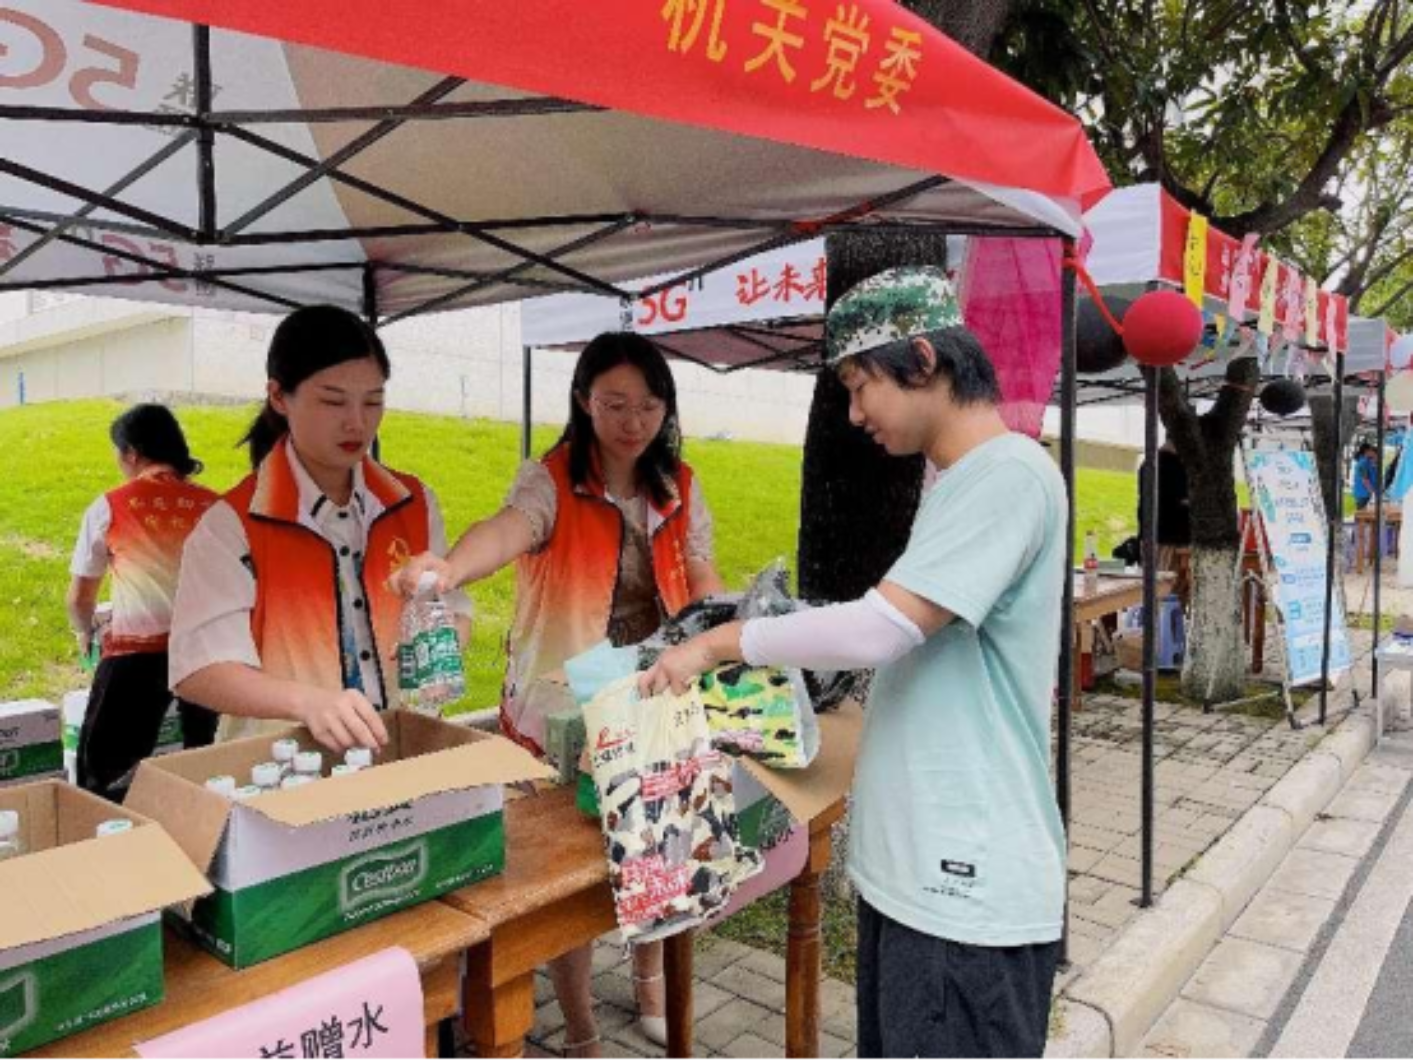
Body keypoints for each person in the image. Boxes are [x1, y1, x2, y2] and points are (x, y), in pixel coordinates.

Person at [641, 267, 1068, 1060]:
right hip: (921, 884)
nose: (853, 413)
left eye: (858, 384)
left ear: (922, 359)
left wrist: (719, 642)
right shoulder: (960, 482)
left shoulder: (1007, 473)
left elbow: (880, 628)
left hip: (961, 892)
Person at [396, 331, 725, 1060]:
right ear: (583, 401)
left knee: (658, 843)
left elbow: (700, 566)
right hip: (561, 706)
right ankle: (578, 1028)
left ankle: (649, 983)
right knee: (564, 880)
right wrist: (450, 569)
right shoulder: (550, 480)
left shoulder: (679, 483)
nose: (633, 421)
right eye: (614, 404)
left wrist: (719, 625)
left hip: (654, 694)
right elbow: (506, 531)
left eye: (648, 405)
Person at [168, 305, 470, 752]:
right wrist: (307, 702)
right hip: (288, 765)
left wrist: (441, 650)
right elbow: (199, 668)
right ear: (278, 396)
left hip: (401, 750)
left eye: (373, 401)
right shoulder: (232, 526)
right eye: (333, 401)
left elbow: (454, 610)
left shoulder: (414, 502)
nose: (357, 422)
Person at [67, 404, 221, 800]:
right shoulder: (216, 507)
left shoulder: (110, 507)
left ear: (132, 453)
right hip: (207, 654)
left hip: (136, 656)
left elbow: (81, 598)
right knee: (208, 766)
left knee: (100, 775)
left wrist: (85, 631)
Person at [1137, 439, 1192, 604]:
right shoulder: (1168, 465)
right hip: (1166, 540)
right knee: (1163, 595)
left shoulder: (1152, 463)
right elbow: (1182, 501)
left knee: (1165, 598)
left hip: (1162, 539)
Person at [1352, 441, 1380, 510]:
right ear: (1366, 451)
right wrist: (1373, 494)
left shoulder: (1366, 462)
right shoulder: (1363, 463)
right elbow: (1365, 480)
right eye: (1371, 450)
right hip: (1363, 494)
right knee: (1363, 514)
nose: (1372, 452)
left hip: (1365, 493)